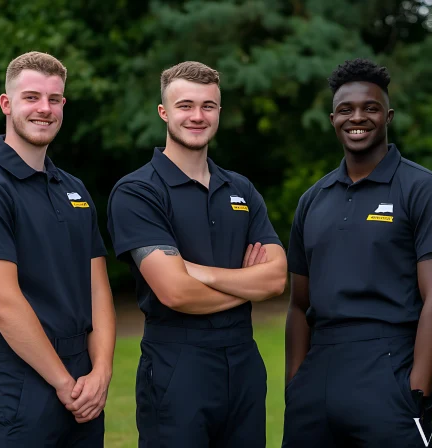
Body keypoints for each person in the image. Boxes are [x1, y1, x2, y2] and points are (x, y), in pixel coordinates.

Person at [282, 58, 432, 447]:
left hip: (390, 373)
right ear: (333, 119)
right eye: (346, 110)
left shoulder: (426, 191)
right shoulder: (313, 200)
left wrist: (417, 390)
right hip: (317, 377)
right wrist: (295, 385)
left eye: (370, 108)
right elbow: (299, 305)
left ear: (388, 116)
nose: (357, 117)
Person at [107, 61, 287, 448]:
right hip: (177, 364)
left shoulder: (241, 189)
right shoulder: (138, 191)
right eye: (185, 105)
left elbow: (275, 279)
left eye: (208, 106)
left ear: (219, 112)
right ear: (164, 112)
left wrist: (198, 272)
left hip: (244, 362)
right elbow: (175, 293)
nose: (197, 116)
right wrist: (245, 285)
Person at [0, 51, 116, 447]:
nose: (44, 109)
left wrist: (101, 371)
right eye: (31, 97)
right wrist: (62, 382)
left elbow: (98, 289)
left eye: (54, 99)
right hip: (17, 378)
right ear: (7, 104)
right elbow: (3, 304)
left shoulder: (73, 189)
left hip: (82, 377)